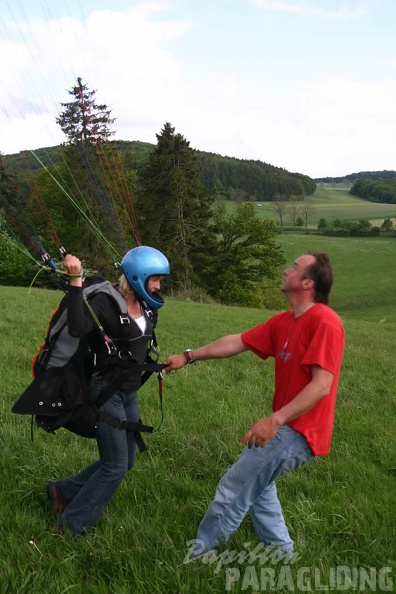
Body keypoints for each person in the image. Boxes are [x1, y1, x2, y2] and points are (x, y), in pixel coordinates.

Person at [163, 251, 344, 557]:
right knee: (259, 483)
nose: (286, 270)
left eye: (294, 268)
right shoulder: (284, 321)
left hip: (300, 430)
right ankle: (280, 549)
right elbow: (237, 342)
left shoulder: (325, 322)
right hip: (289, 424)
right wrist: (188, 356)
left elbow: (321, 386)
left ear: (307, 283)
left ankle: (202, 553)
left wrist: (275, 421)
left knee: (233, 489)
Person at [47, 246, 170, 538]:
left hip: (128, 392)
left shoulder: (148, 306)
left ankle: (60, 492)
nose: (159, 286)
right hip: (105, 391)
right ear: (138, 277)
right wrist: (75, 280)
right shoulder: (106, 302)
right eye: (155, 279)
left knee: (126, 460)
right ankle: (69, 528)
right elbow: (78, 327)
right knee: (114, 466)